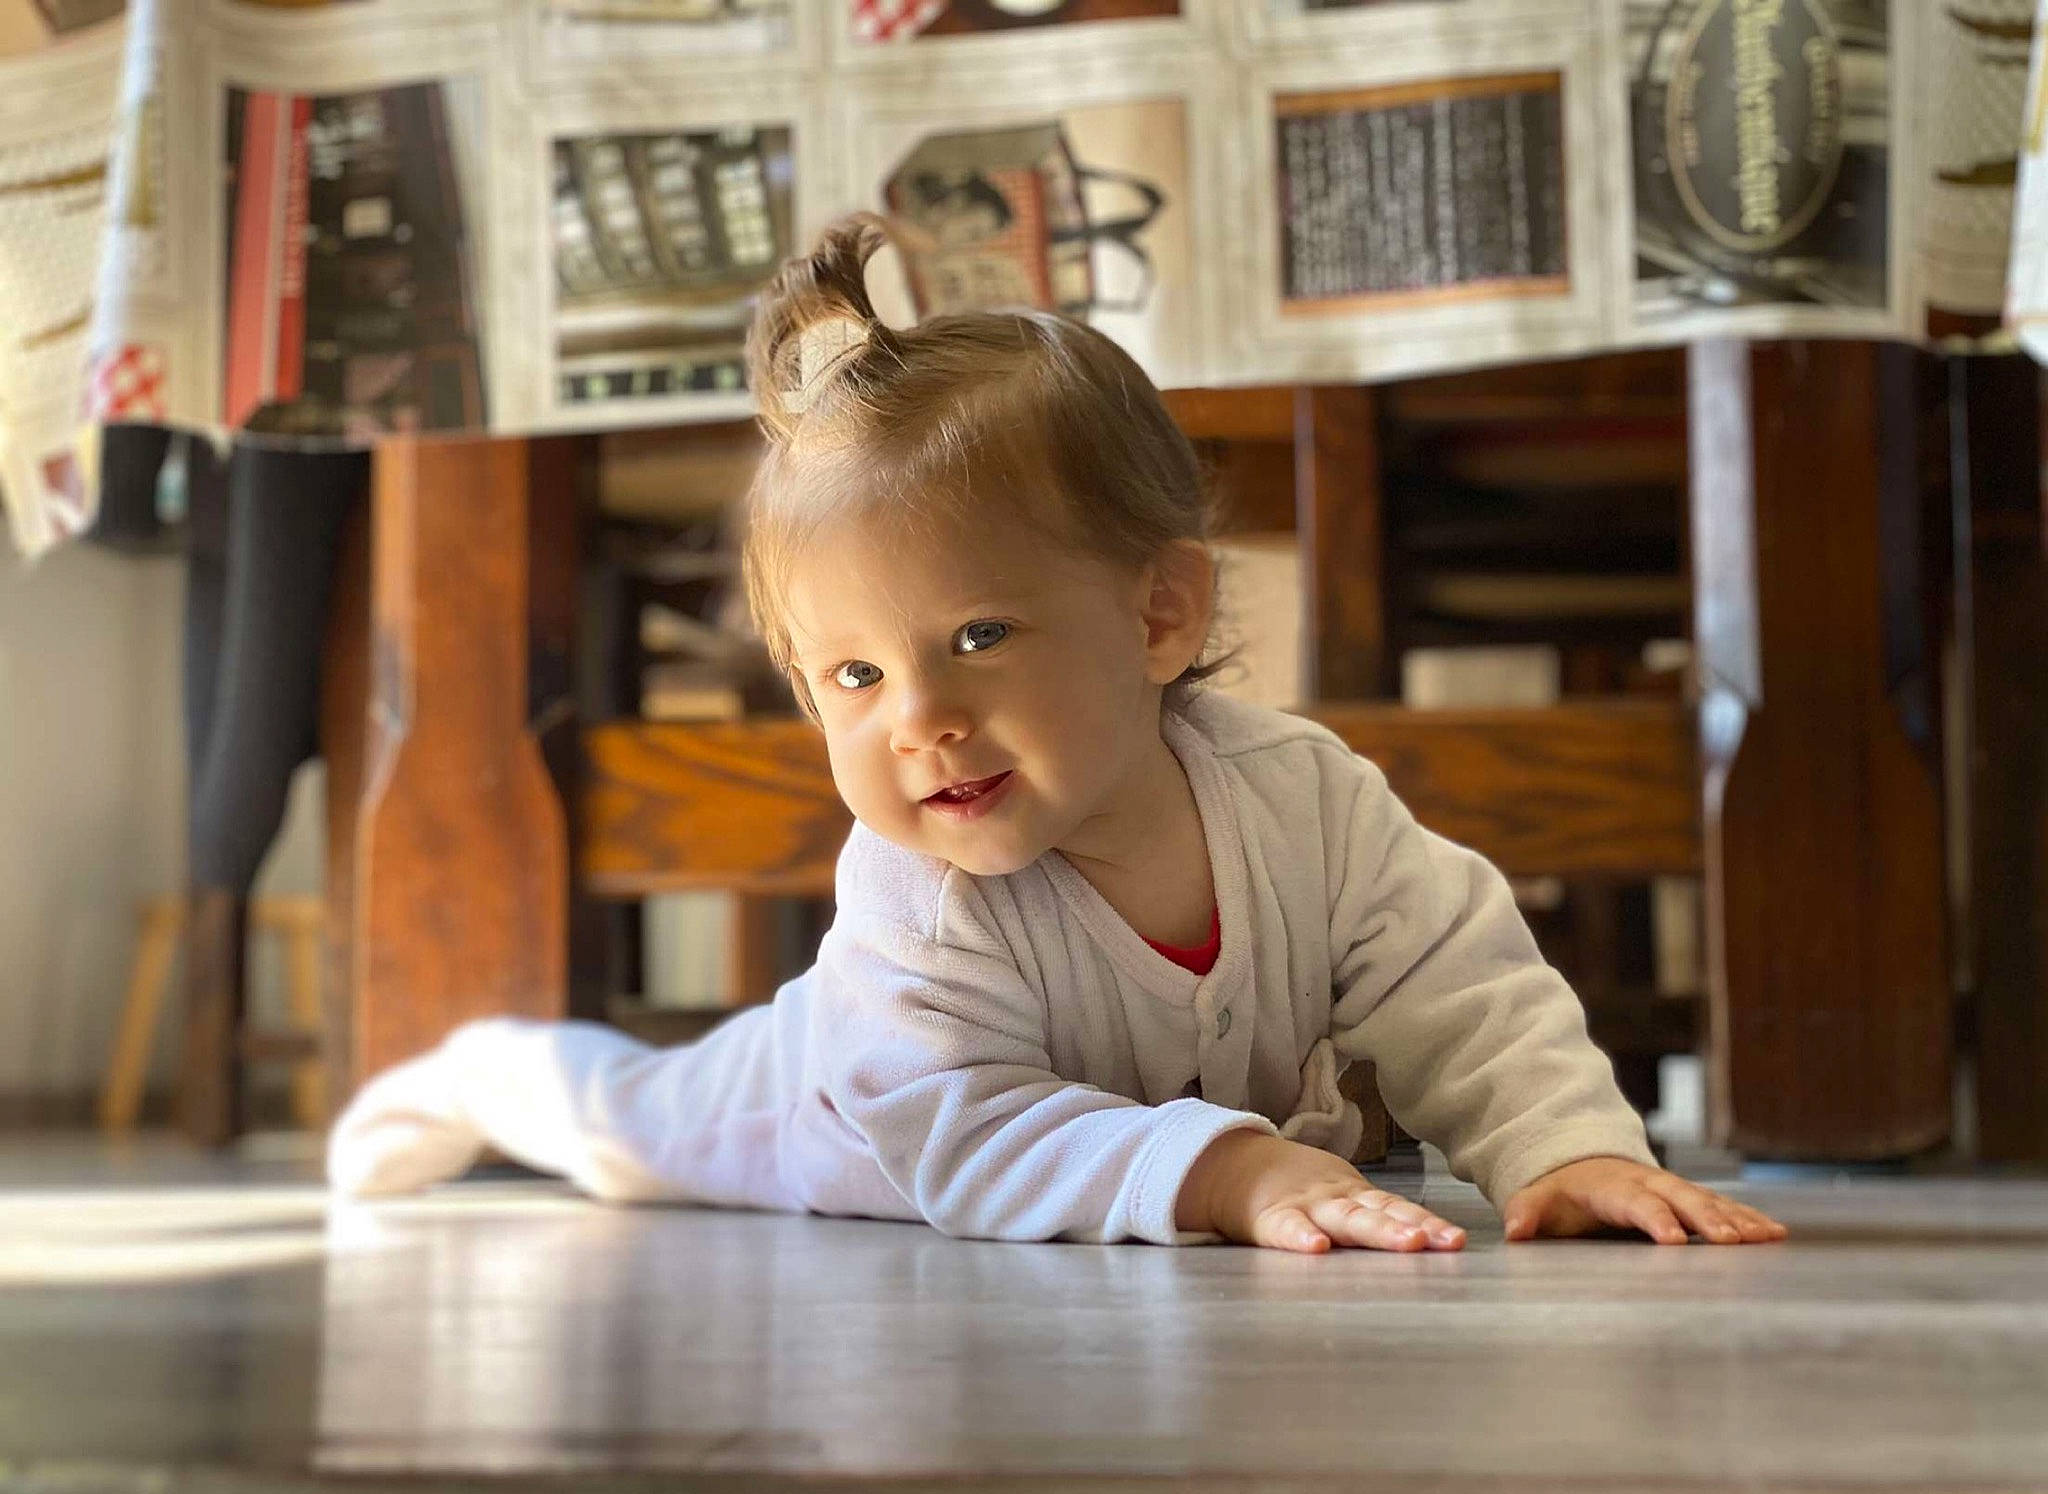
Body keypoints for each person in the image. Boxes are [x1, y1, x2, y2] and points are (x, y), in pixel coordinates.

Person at [328, 214, 1786, 1253]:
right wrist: (1227, 1174)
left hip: (1073, 1119)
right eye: (850, 676)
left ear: (1158, 618)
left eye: (974, 639)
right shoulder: (918, 896)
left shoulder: (1308, 805)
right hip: (821, 1114)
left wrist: (1568, 1150)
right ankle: (488, 1074)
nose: (921, 721)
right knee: (629, 1123)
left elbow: (1462, 981)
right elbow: (964, 1135)